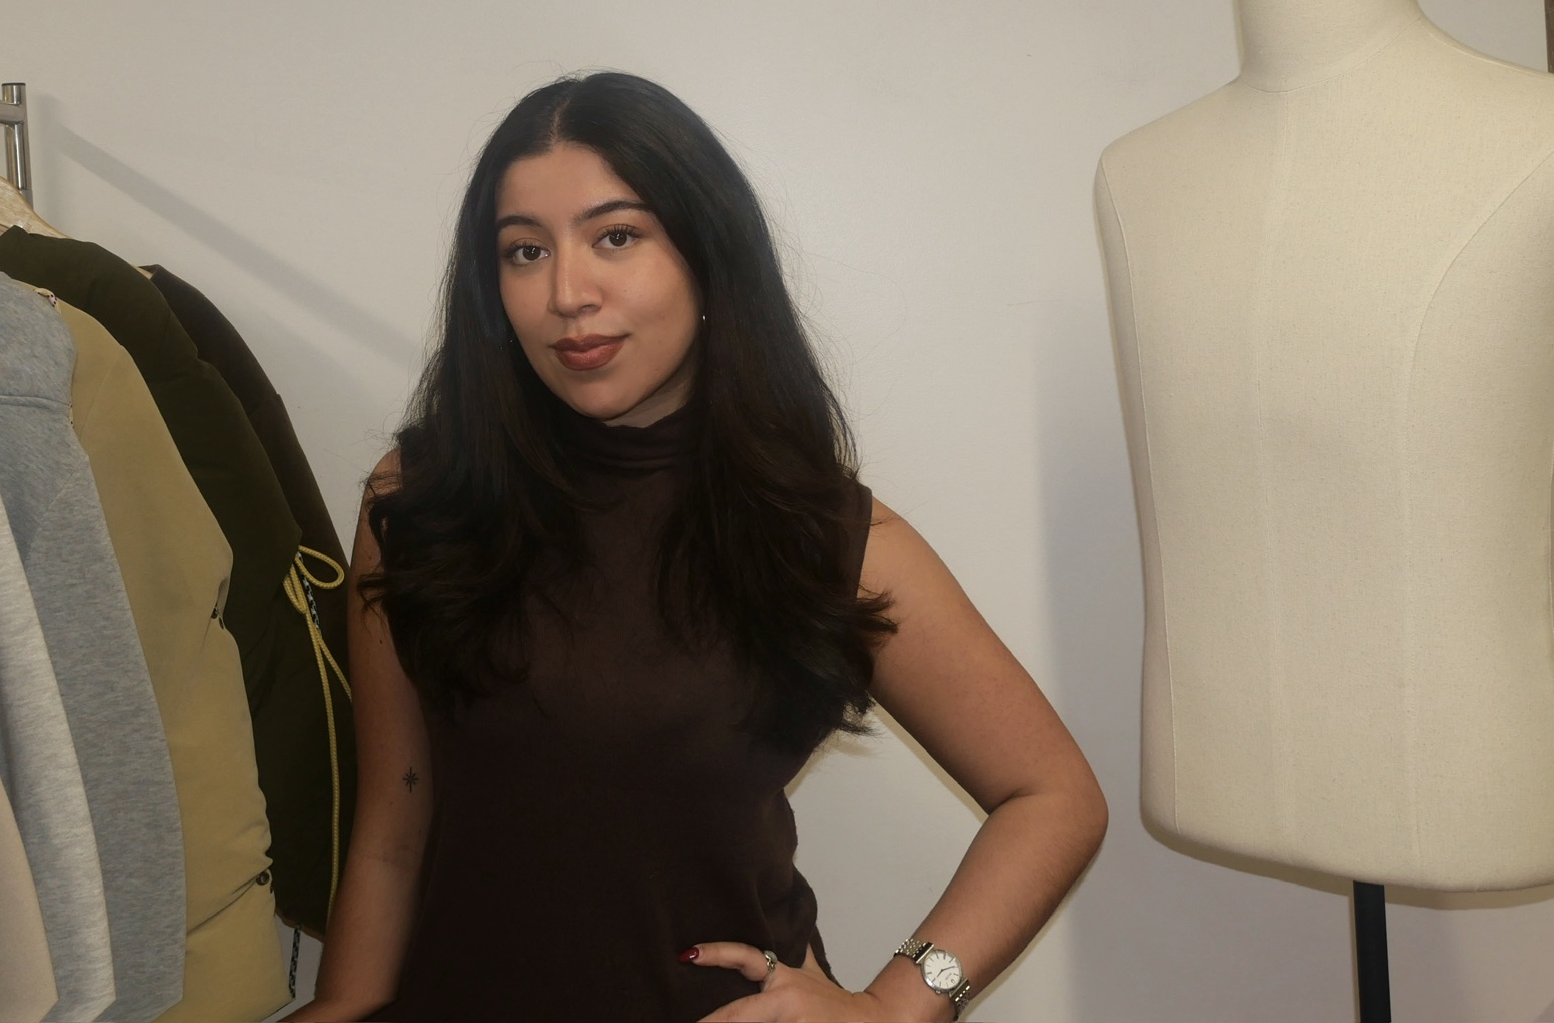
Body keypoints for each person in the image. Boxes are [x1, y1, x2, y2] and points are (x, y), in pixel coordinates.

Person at [292, 72, 1105, 1022]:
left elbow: (1053, 795)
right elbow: (396, 820)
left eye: (617, 237)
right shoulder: (422, 497)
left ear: (706, 256)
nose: (566, 292)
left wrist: (894, 1007)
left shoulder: (819, 536)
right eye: (523, 251)